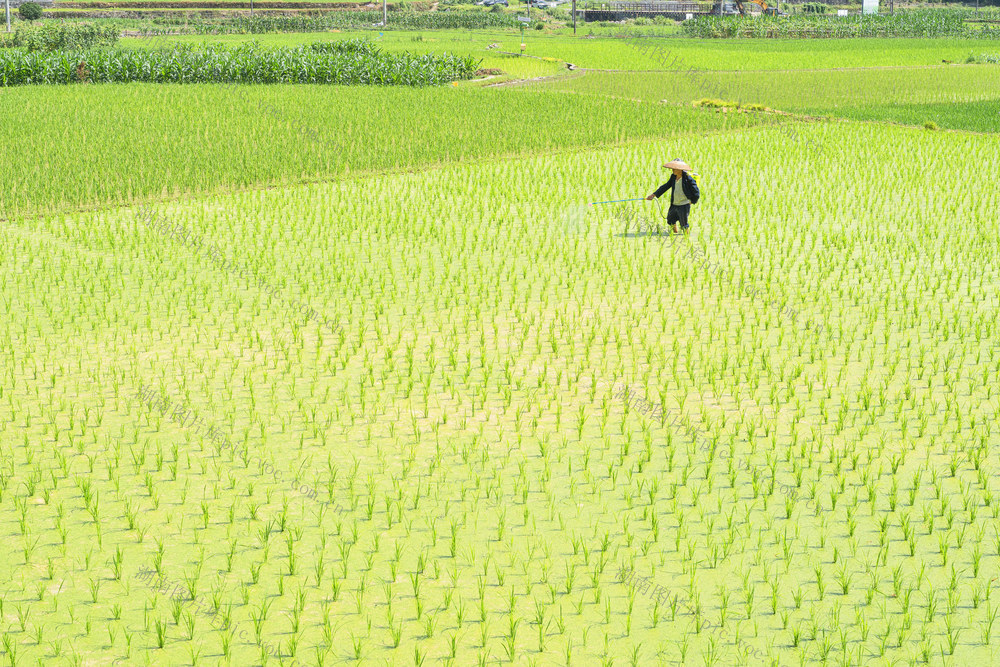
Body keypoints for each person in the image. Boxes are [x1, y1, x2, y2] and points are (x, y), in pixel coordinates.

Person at [646, 159, 700, 235]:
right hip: (674, 203)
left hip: (684, 204)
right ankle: (674, 233)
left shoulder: (688, 179)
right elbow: (665, 186)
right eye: (672, 168)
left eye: (674, 168)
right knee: (670, 220)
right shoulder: (673, 177)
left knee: (684, 224)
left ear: (680, 169)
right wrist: (653, 195)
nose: (672, 170)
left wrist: (693, 201)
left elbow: (696, 192)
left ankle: (686, 238)